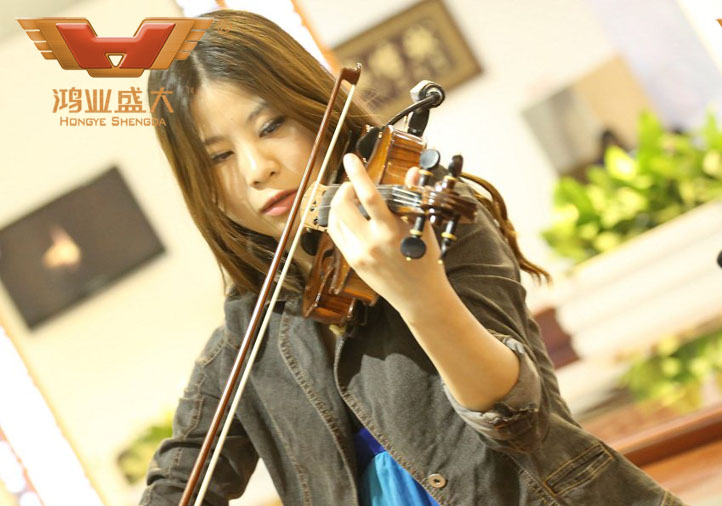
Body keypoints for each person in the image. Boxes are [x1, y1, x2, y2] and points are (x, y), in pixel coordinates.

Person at [140, 9, 685, 506]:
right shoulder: (249, 329)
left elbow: (517, 420)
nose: (257, 168)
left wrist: (421, 295)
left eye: (272, 126)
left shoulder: (426, 223)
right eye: (219, 156)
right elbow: (177, 484)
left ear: (316, 111)